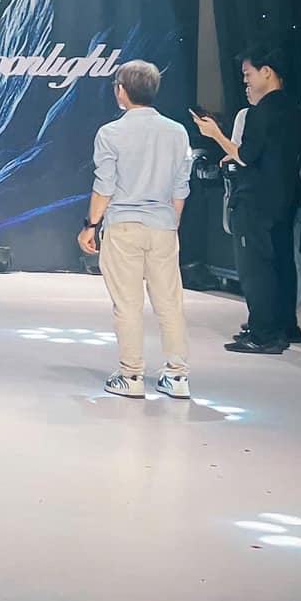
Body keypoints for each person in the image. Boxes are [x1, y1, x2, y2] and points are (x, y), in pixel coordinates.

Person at [81, 60, 191, 399]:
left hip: (124, 227)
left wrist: (91, 225)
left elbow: (105, 185)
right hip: (163, 226)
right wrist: (171, 224)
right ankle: (177, 376)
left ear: (121, 90)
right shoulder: (177, 132)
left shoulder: (110, 133)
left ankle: (131, 375)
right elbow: (180, 186)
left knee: (128, 304)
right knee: (169, 304)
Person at [194, 48, 301, 354]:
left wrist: (215, 134)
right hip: (285, 199)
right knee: (281, 264)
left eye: (248, 74)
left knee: (256, 269)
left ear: (267, 71)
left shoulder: (260, 112)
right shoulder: (294, 110)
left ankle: (262, 334)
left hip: (256, 201)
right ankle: (281, 328)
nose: (245, 81)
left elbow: (245, 155)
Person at [225, 100, 301, 342]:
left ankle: (284, 320)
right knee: (262, 261)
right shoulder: (245, 115)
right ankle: (266, 318)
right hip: (256, 194)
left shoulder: (300, 115)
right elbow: (239, 151)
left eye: (249, 79)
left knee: (287, 257)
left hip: (286, 195)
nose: (246, 84)